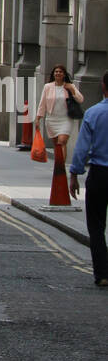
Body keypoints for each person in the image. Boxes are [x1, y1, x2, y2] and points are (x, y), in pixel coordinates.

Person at [69, 72, 108, 286]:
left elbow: (82, 147)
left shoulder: (93, 113)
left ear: (103, 86)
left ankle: (102, 274)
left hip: (100, 174)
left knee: (96, 226)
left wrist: (74, 174)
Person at [36, 64, 84, 157]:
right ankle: (58, 166)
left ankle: (61, 167)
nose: (58, 73)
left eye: (60, 72)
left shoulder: (70, 86)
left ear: (64, 74)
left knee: (62, 141)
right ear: (53, 74)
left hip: (66, 119)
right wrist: (38, 119)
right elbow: (42, 104)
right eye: (56, 71)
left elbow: (81, 99)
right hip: (51, 120)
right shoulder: (47, 87)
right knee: (57, 145)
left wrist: (72, 90)